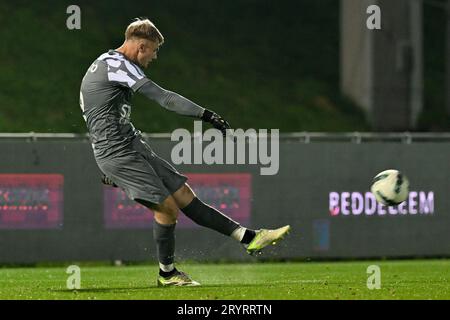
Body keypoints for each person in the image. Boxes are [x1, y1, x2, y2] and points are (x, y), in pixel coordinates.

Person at [79, 18, 290, 287]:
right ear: (141, 46)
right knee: (167, 210)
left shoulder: (107, 62)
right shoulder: (118, 65)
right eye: (154, 51)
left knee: (184, 196)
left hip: (129, 144)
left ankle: (250, 238)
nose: (154, 57)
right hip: (117, 151)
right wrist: (206, 114)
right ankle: (167, 274)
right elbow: (164, 98)